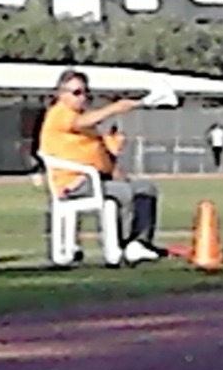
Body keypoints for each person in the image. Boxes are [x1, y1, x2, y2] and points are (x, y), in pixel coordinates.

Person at [37, 69, 164, 264]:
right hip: (73, 182)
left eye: (85, 92)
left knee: (145, 189)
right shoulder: (60, 113)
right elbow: (81, 122)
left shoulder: (87, 123)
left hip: (97, 178)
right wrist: (116, 107)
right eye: (76, 93)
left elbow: (100, 153)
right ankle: (122, 244)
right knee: (125, 193)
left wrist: (115, 166)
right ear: (61, 94)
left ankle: (139, 242)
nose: (82, 98)